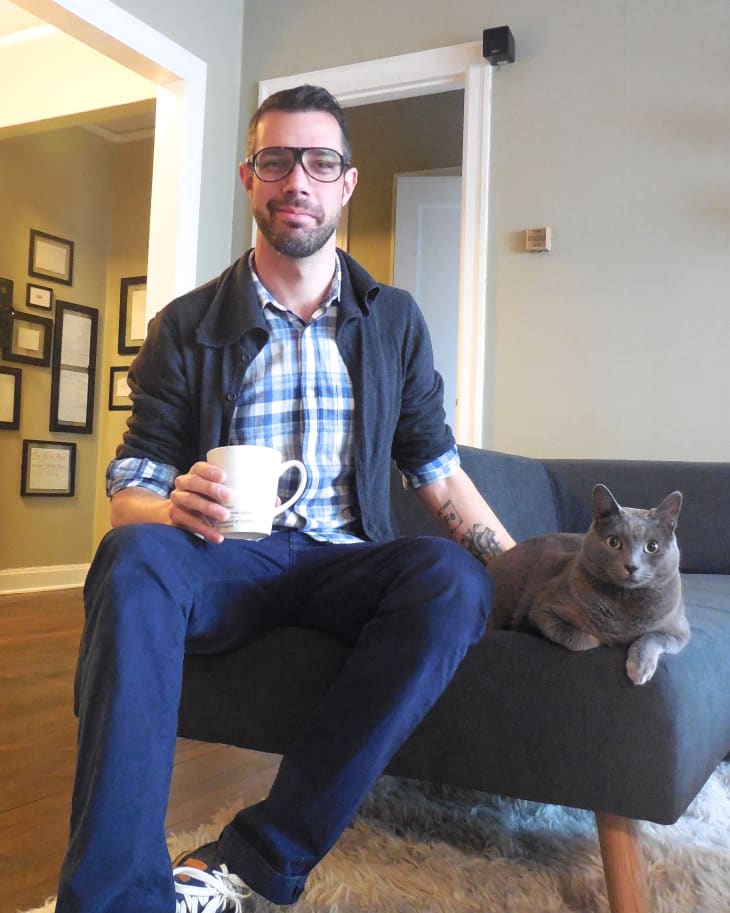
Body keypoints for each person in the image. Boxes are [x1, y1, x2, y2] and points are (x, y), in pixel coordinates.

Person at [55, 84, 515, 913]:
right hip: (225, 556)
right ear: (249, 177)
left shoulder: (393, 321)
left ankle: (259, 855)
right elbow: (131, 491)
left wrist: (520, 576)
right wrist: (174, 506)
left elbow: (438, 471)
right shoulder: (186, 324)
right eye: (276, 160)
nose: (297, 179)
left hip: (348, 561)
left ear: (347, 183)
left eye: (320, 162)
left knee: (453, 580)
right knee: (133, 555)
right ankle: (118, 899)